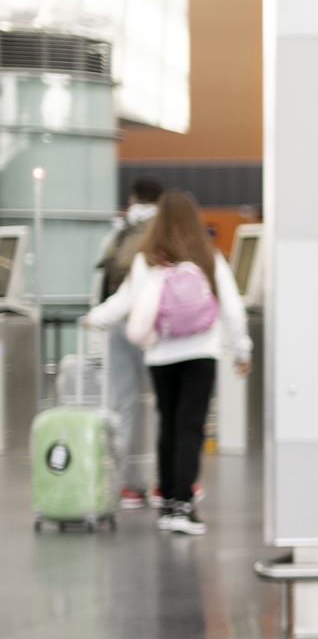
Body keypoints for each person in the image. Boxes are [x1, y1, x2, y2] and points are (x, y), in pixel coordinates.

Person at [84, 191, 250, 536]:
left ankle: (167, 506)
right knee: (190, 428)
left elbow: (122, 302)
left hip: (160, 355)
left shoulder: (147, 261)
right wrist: (242, 351)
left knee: (169, 427)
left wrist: (94, 318)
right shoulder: (209, 257)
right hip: (201, 354)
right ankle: (182, 505)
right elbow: (233, 310)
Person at [95, 177, 161, 510]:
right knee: (164, 403)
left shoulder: (122, 228)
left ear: (133, 198)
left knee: (124, 403)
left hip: (120, 325)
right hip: (154, 328)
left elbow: (104, 270)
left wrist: (99, 316)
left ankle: (128, 485)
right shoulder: (163, 230)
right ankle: (166, 482)